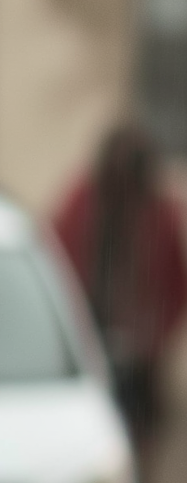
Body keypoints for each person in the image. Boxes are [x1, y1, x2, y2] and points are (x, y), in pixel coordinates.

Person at [54, 123, 187, 442]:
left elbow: (177, 283)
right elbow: (58, 263)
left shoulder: (160, 212)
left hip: (142, 359)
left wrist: (155, 339)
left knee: (140, 437)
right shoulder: (84, 202)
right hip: (91, 342)